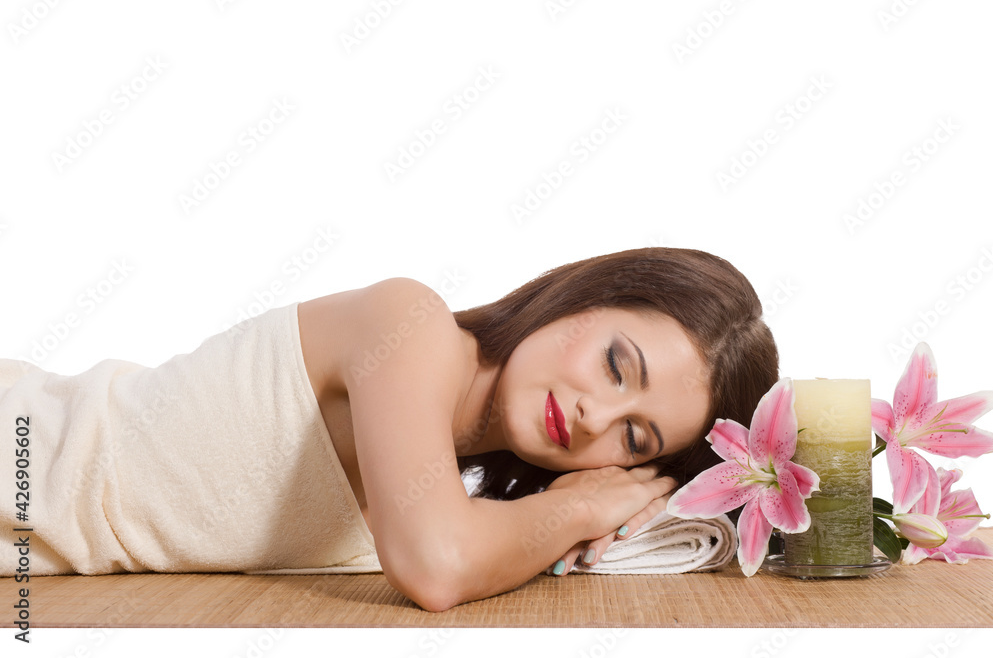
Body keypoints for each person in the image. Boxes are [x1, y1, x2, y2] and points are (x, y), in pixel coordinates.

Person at [0, 247, 777, 613]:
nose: (594, 418)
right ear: (582, 298)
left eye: (635, 440)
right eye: (614, 364)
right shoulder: (410, 324)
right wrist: (578, 505)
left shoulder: (450, 499)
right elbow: (437, 568)